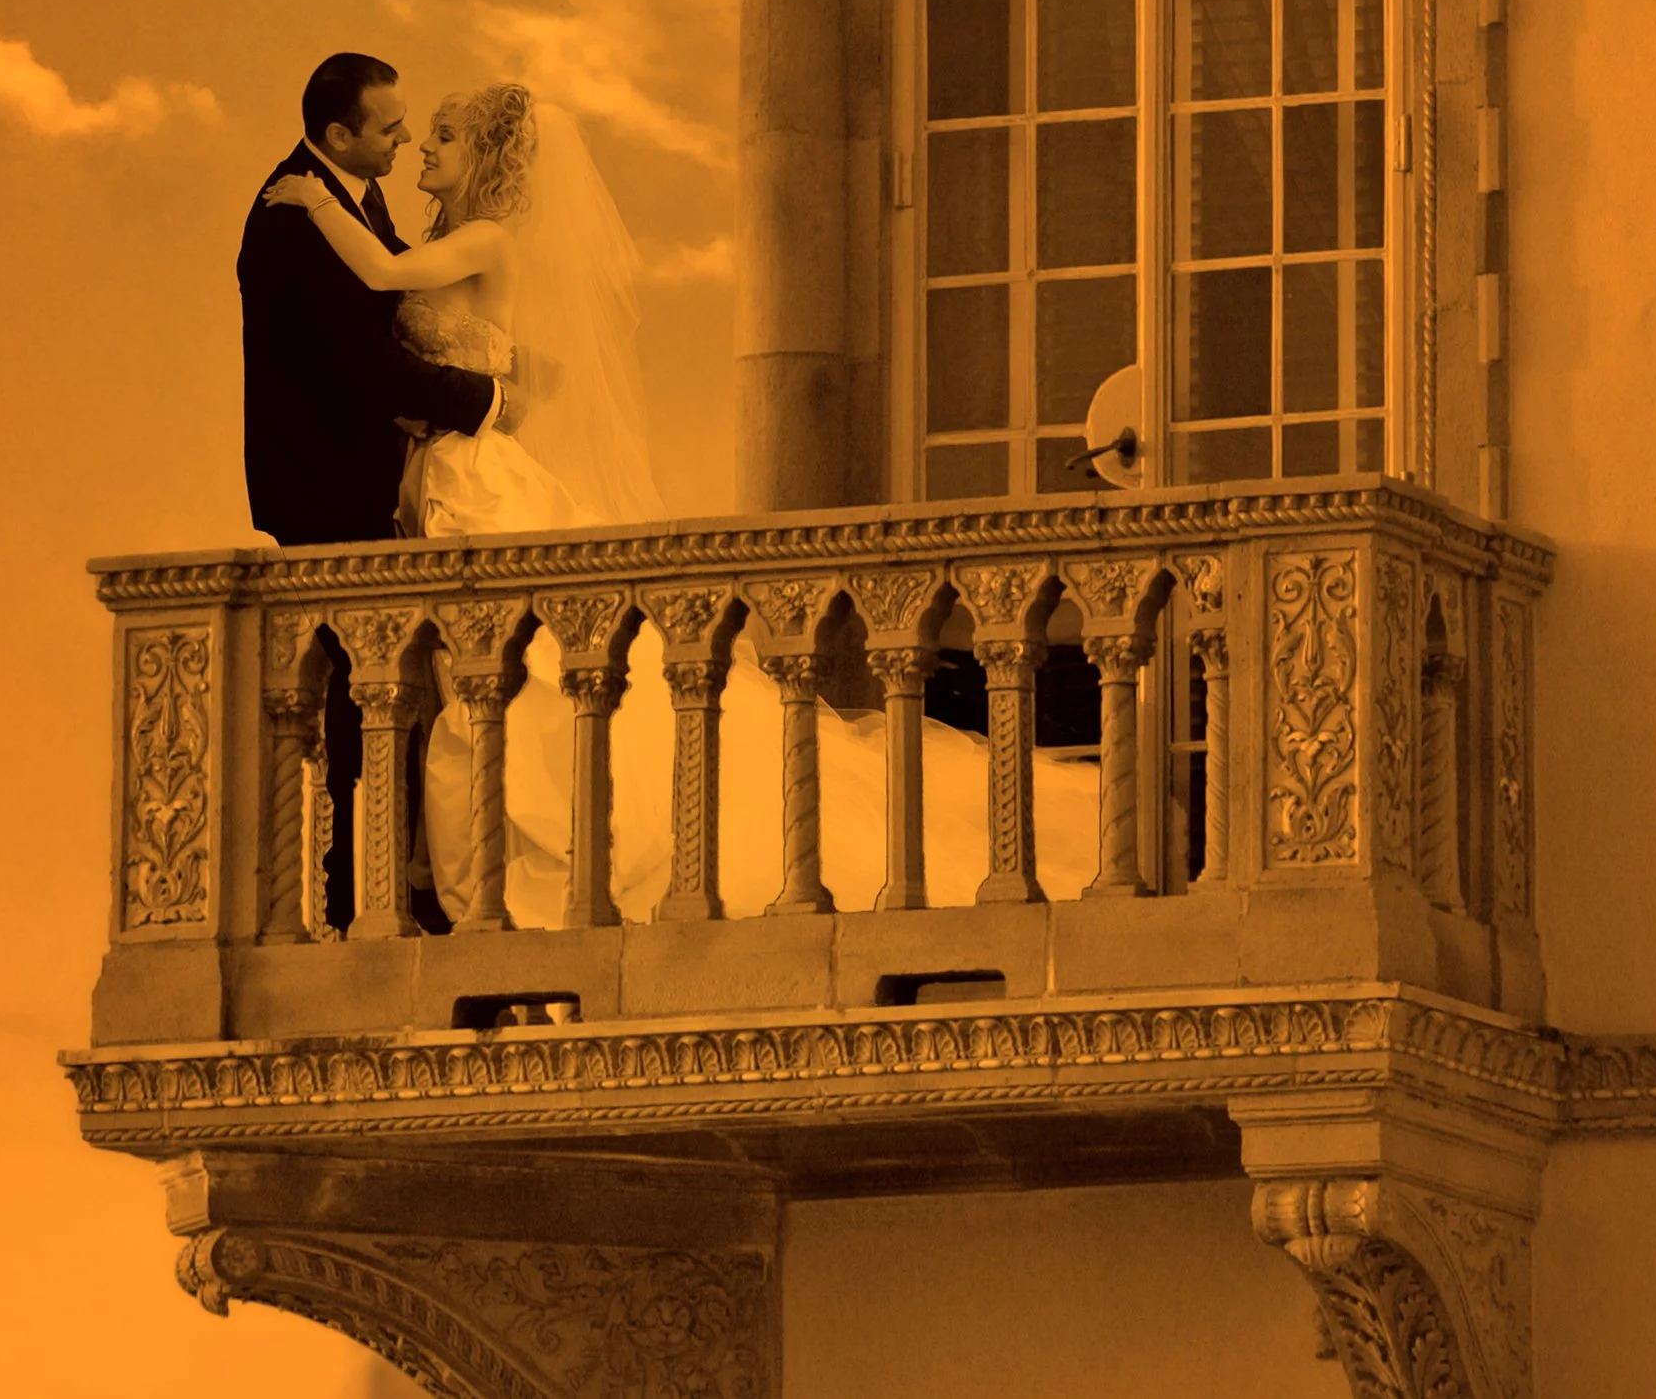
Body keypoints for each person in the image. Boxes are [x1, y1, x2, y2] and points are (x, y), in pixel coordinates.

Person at [263, 80, 1101, 923]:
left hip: (470, 476)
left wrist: (309, 199)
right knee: (462, 667)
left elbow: (384, 272)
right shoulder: (445, 234)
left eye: (442, 134)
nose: (421, 146)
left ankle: (552, 848)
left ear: (483, 155)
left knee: (518, 666)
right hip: (438, 470)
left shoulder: (481, 238)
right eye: (415, 131)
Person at [238, 53, 497, 548]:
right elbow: (364, 358)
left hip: (370, 473)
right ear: (339, 136)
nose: (406, 138)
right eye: (390, 128)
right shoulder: (291, 220)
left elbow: (397, 277)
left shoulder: (354, 186)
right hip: (324, 484)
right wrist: (486, 397)